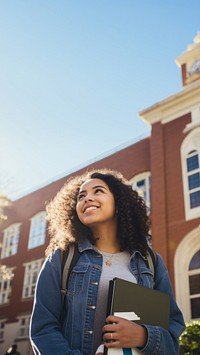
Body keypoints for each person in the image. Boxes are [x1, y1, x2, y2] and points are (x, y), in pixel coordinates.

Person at [30, 168, 185, 354]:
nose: (86, 198)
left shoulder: (150, 262)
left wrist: (144, 336)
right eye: (81, 196)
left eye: (98, 191)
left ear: (118, 203)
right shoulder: (61, 259)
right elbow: (43, 330)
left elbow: (173, 329)